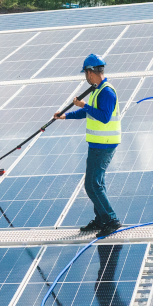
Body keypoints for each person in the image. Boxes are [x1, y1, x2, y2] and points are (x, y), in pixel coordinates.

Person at [54, 54, 122, 238]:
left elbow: (104, 117)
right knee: (97, 182)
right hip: (97, 143)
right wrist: (66, 116)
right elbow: (88, 113)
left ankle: (111, 220)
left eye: (85, 72)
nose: (85, 76)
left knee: (92, 184)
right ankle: (101, 218)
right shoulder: (97, 89)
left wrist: (84, 104)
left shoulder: (106, 91)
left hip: (104, 144)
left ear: (91, 72)